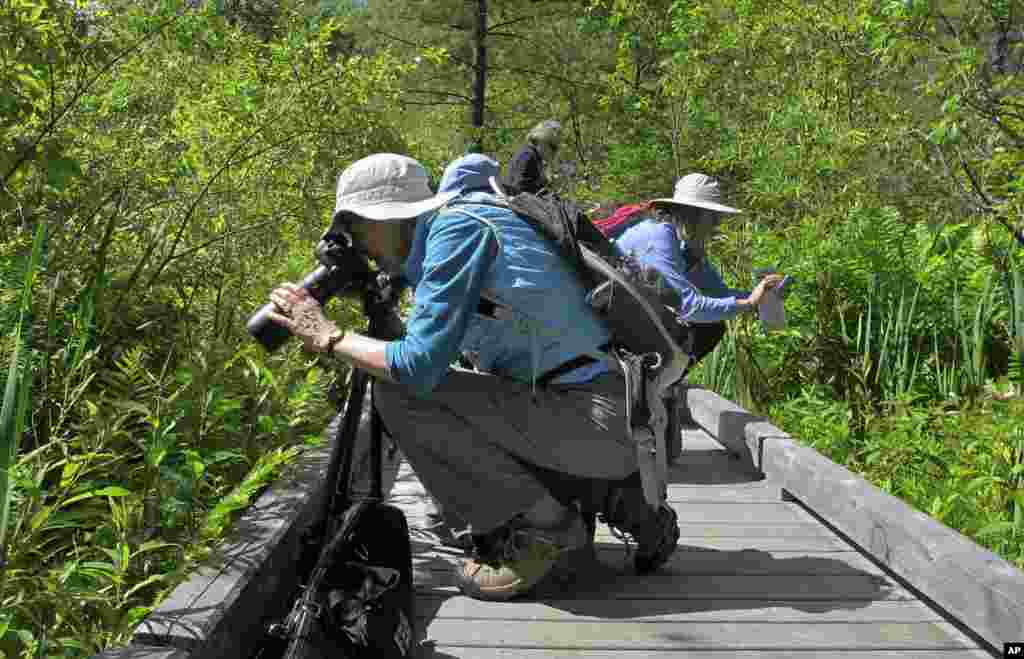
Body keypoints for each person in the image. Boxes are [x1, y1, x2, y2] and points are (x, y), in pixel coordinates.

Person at [265, 153, 679, 602]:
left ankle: (545, 534)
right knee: (442, 405)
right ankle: (632, 507)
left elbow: (416, 368)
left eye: (356, 224)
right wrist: (376, 300)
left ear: (386, 217)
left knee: (400, 395)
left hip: (592, 418)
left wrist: (327, 334)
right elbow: (423, 353)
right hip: (607, 418)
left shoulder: (457, 232)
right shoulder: (470, 222)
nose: (357, 240)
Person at [614, 173, 786, 368]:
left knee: (712, 326)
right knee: (708, 327)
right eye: (713, 216)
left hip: (638, 321)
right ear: (694, 213)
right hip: (620, 328)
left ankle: (664, 383)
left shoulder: (685, 246)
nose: (717, 224)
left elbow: (717, 295)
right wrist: (749, 302)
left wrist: (763, 294)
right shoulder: (657, 237)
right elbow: (689, 307)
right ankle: (656, 383)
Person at [505, 119, 561, 194]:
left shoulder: (534, 156)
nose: (554, 152)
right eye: (553, 146)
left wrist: (547, 184)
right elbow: (519, 186)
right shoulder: (527, 155)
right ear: (540, 140)